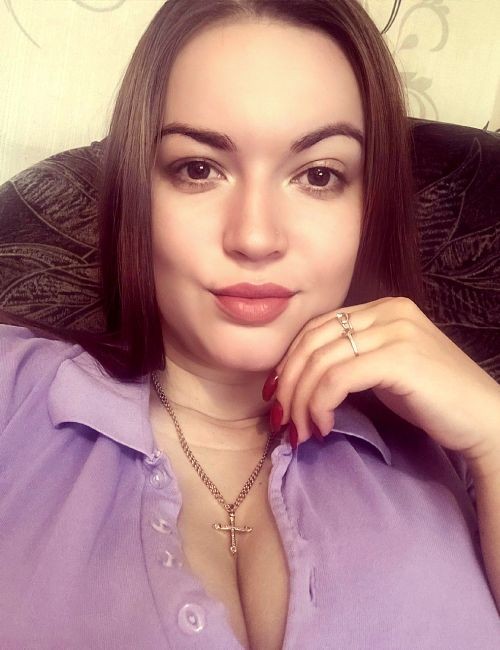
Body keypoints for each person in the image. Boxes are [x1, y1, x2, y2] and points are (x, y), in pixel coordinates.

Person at [1, 0, 499, 648]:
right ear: (135, 193)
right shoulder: (15, 395)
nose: (255, 237)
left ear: (369, 210)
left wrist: (494, 437)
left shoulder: (455, 452)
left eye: (318, 175)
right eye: (198, 169)